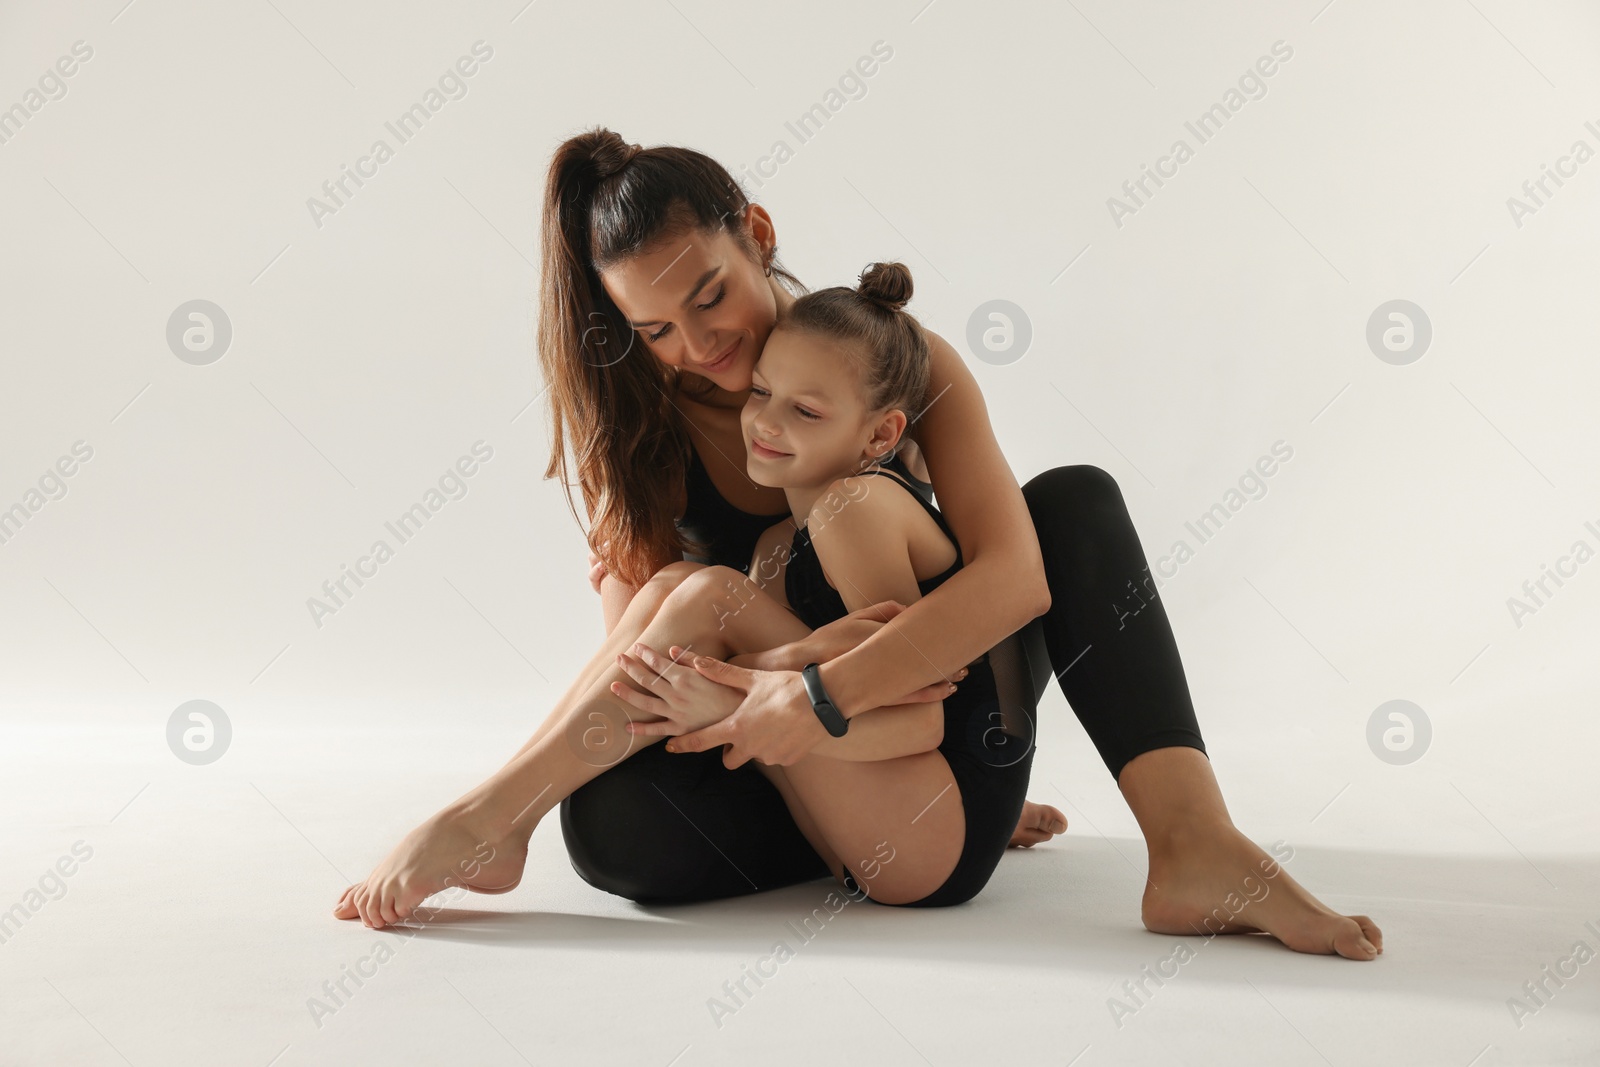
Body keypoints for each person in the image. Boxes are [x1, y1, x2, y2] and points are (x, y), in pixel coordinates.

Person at [336, 127, 1383, 960]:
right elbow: (647, 682)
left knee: (1070, 503)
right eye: (655, 331)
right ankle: (545, 820)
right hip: (796, 747)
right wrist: (761, 692)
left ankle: (1192, 841)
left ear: (755, 230)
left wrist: (811, 691)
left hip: (940, 704)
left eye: (708, 293)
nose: (699, 346)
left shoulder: (879, 358)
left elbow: (1014, 579)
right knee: (614, 833)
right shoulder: (644, 437)